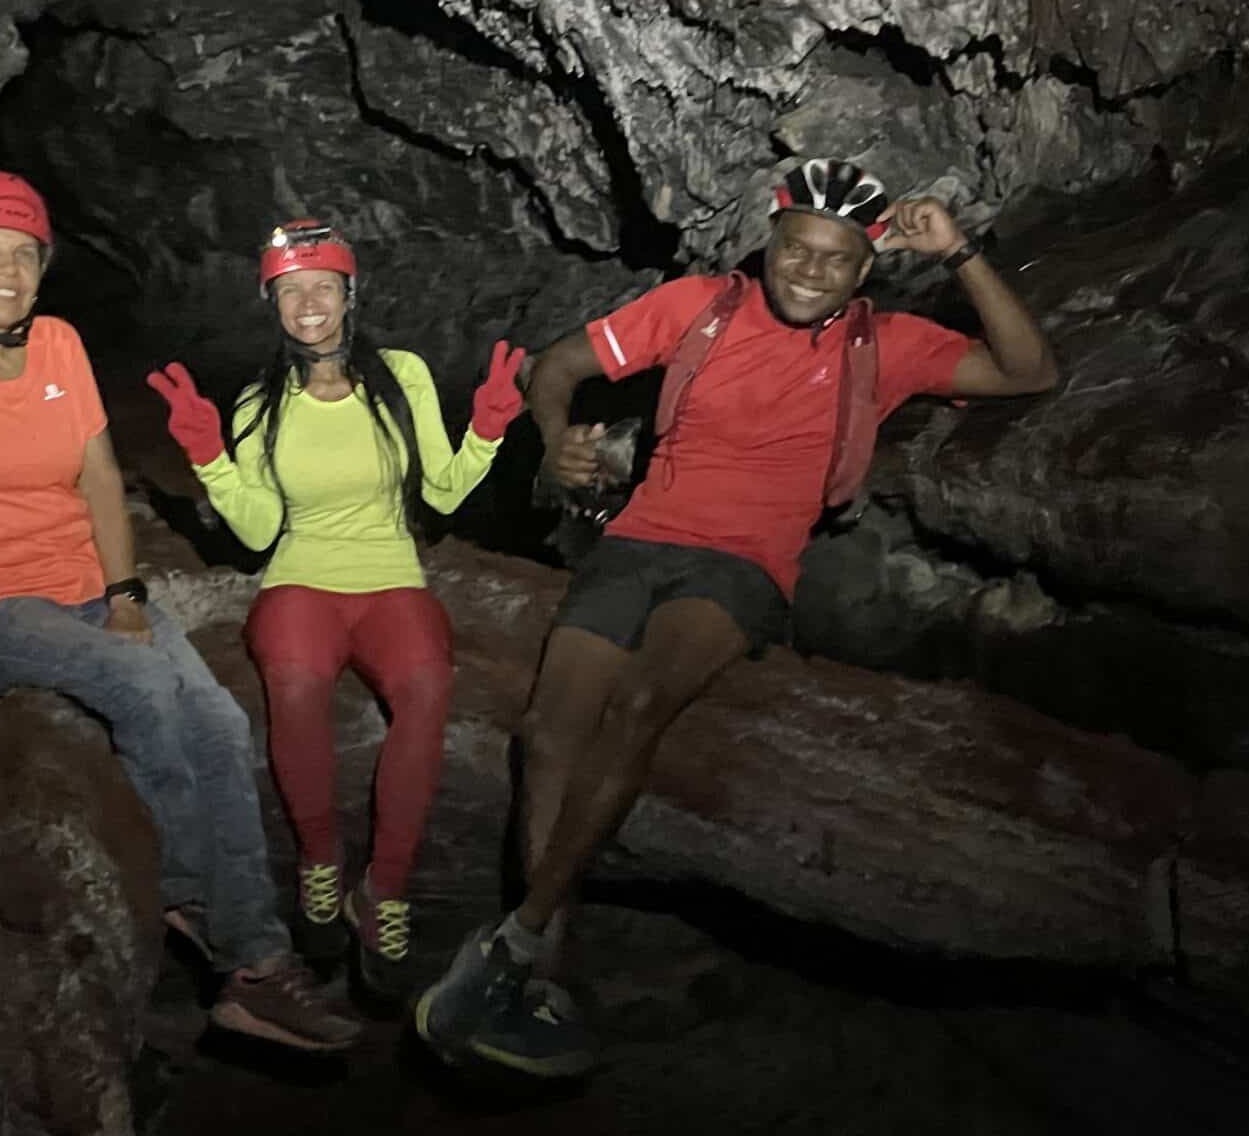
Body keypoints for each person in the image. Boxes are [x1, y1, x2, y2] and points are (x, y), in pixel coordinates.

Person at [413, 159, 1060, 1076]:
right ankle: (539, 976)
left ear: (862, 270)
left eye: (835, 260)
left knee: (639, 706)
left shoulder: (891, 344)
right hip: (635, 543)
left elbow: (1030, 372)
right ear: (771, 244)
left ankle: (515, 941)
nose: (810, 271)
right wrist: (558, 439)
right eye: (797, 250)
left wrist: (961, 252)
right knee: (548, 731)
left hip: (745, 566)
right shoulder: (698, 307)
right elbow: (555, 366)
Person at [0, 170, 360, 1054]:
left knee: (215, 719)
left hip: (85, 582)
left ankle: (256, 968)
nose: (7, 271)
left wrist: (126, 594)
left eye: (24, 254)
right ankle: (196, 901)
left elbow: (96, 476)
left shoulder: (56, 345)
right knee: (136, 681)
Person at [147, 219, 525, 998]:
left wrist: (486, 431)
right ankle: (321, 862)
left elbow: (443, 490)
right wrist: (210, 456)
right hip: (301, 575)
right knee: (294, 683)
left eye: (323, 286)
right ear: (272, 303)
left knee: (426, 688)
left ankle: (382, 889)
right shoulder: (261, 400)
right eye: (291, 291)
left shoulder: (403, 375)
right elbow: (255, 531)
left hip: (390, 572)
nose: (309, 303)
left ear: (351, 294)